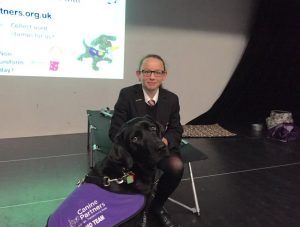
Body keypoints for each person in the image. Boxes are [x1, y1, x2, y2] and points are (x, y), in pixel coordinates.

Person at [109, 54, 183, 227]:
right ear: (138, 74)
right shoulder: (127, 95)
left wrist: (165, 141)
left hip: (159, 147)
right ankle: (133, 209)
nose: (151, 76)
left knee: (176, 167)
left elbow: (176, 129)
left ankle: (156, 206)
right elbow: (115, 131)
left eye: (157, 72)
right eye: (147, 71)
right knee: (130, 176)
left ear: (164, 75)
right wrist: (136, 148)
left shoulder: (172, 99)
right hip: (136, 152)